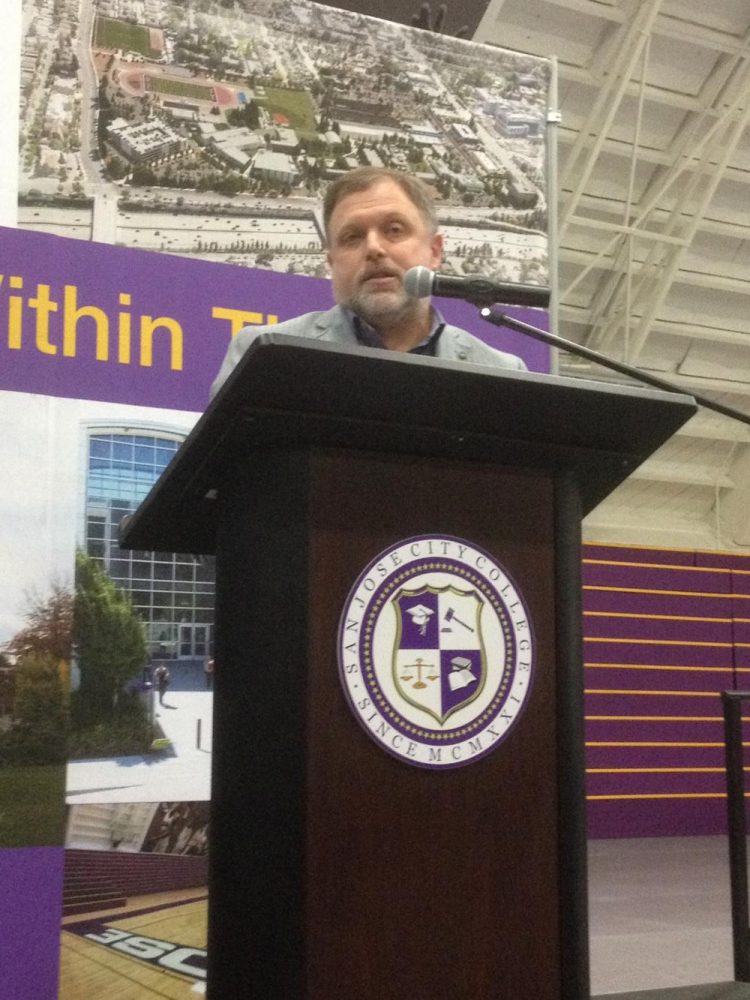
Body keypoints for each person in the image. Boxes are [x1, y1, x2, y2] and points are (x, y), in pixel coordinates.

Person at [210, 167, 526, 397]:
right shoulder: (265, 356)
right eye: (352, 237)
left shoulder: (504, 373)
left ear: (434, 251)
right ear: (332, 263)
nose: (374, 248)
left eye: (394, 230)